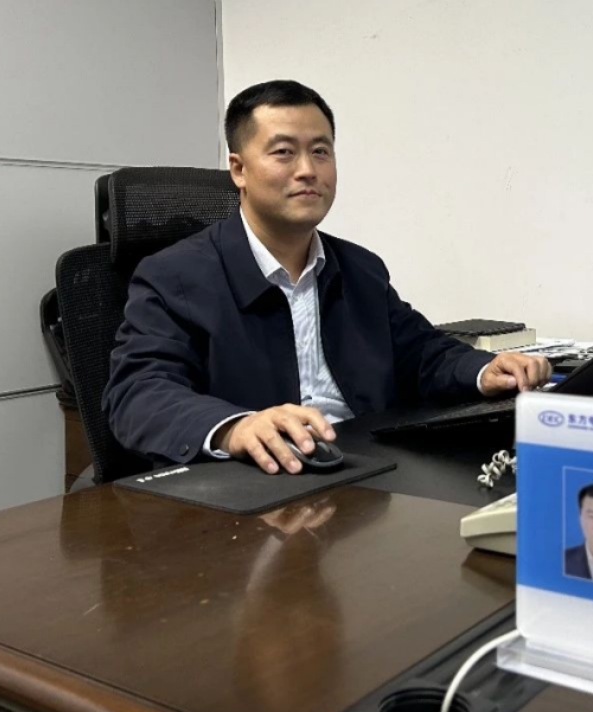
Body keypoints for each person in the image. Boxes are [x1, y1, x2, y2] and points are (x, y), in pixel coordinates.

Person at [104, 80, 551, 473]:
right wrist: (235, 428)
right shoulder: (174, 276)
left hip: (365, 473)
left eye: (321, 151)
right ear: (239, 170)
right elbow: (138, 393)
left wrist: (484, 369)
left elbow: (420, 352)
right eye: (284, 152)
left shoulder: (360, 269)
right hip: (253, 487)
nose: (308, 170)